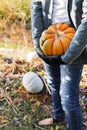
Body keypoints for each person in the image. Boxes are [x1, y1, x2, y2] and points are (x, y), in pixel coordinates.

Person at [31, 0, 87, 130]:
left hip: (73, 38)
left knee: (69, 98)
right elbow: (37, 5)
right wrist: (38, 43)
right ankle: (58, 115)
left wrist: (69, 56)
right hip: (49, 36)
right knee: (53, 83)